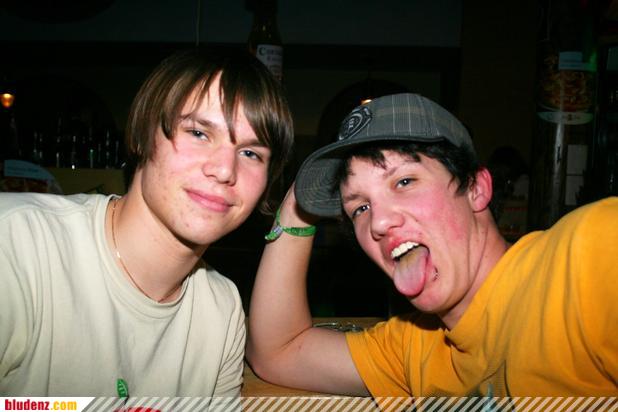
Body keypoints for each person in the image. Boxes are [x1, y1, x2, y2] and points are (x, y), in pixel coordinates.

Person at [246, 93, 618, 397]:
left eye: (404, 182)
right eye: (359, 207)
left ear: (476, 188)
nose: (378, 223)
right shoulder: (414, 347)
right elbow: (277, 351)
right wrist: (297, 210)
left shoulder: (587, 254)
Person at [0, 48, 294, 396]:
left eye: (250, 153)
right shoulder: (17, 244)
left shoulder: (221, 309)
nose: (225, 169)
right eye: (199, 133)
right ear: (142, 135)